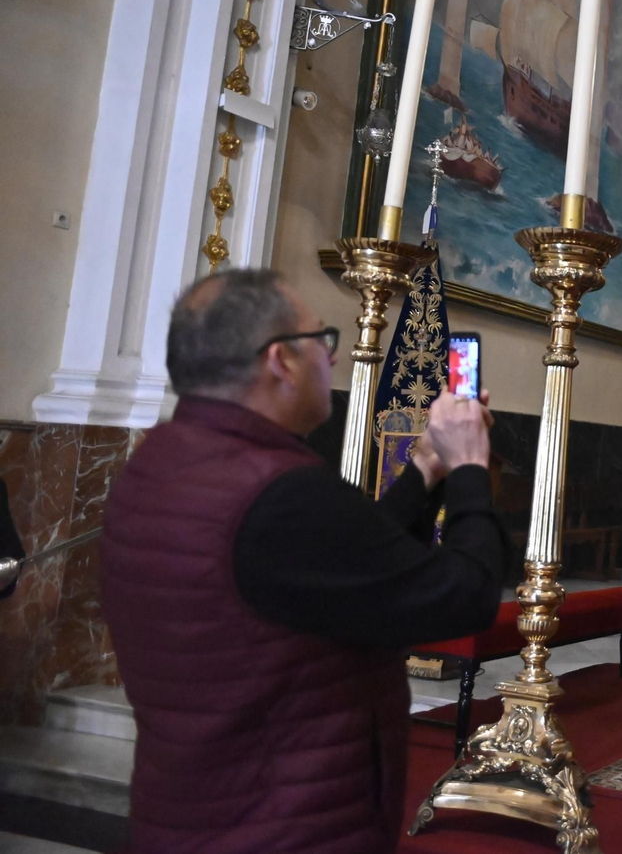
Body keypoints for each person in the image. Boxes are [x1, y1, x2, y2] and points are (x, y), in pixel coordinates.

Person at [100, 268, 510, 853]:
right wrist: (471, 467)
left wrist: (425, 470)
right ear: (280, 360)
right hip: (285, 825)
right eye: (322, 339)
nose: (333, 358)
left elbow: (338, 567)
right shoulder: (279, 492)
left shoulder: (159, 464)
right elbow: (463, 595)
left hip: (193, 805)